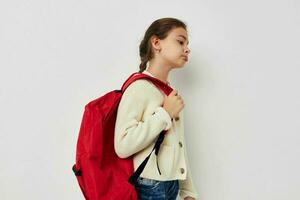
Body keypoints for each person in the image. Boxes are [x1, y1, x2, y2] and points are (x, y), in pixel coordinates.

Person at [114, 17, 199, 200]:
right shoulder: (139, 88)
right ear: (156, 43)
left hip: (172, 184)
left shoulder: (169, 93)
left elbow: (179, 145)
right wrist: (165, 113)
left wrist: (187, 191)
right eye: (180, 41)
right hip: (150, 187)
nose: (187, 48)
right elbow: (122, 145)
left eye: (187, 43)